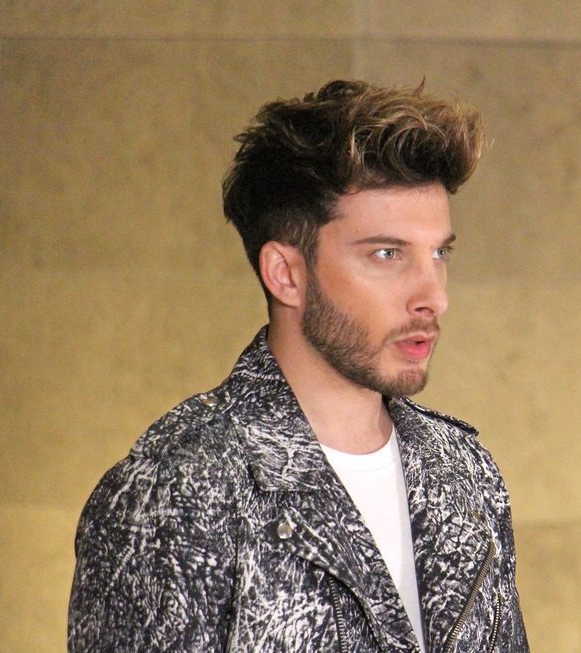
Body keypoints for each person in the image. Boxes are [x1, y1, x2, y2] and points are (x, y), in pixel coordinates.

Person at [68, 80, 529, 652]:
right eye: (387, 254)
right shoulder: (177, 491)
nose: (433, 297)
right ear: (285, 274)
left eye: (439, 254)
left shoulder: (464, 471)